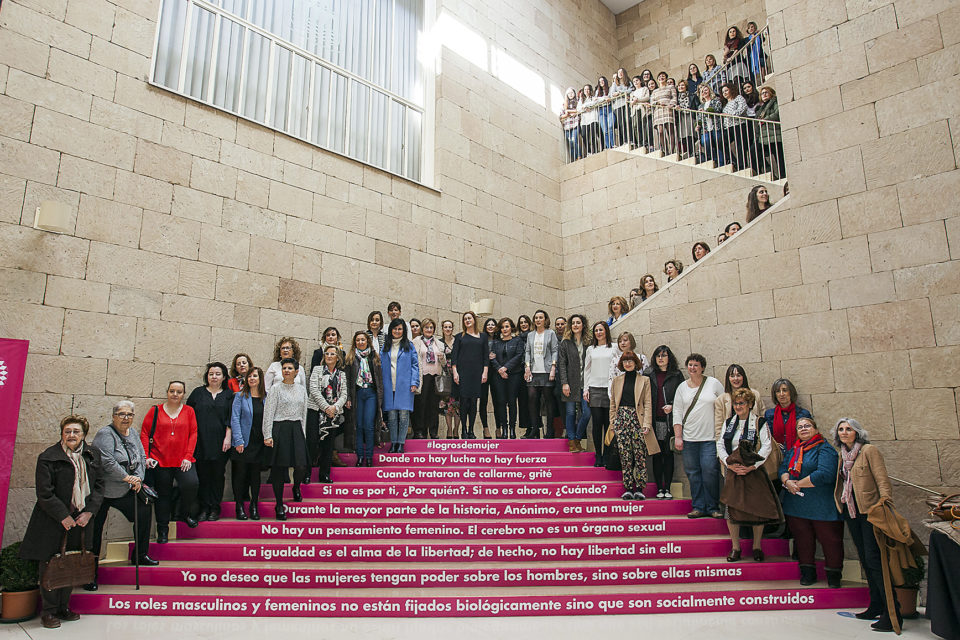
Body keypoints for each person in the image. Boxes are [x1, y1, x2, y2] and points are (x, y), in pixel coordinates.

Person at [20, 415, 104, 629]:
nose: (71, 435)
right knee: (50, 564)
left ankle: (63, 607)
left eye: (76, 431)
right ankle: (48, 611)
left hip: (81, 521)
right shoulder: (48, 457)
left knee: (71, 563)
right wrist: (63, 516)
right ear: (62, 434)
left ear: (84, 434)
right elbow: (44, 493)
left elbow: (99, 487)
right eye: (67, 432)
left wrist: (89, 513)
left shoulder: (92, 455)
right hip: (52, 520)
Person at [833, 418, 902, 631]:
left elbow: (882, 479)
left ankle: (893, 613)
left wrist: (884, 502)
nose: (844, 432)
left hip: (870, 512)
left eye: (849, 429)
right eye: (841, 429)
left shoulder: (869, 451)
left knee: (875, 560)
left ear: (857, 432)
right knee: (865, 558)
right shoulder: (842, 455)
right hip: (851, 512)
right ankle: (876, 605)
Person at [89, 402, 155, 585]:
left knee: (144, 510)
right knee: (94, 531)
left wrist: (139, 479)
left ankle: (140, 555)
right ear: (113, 416)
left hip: (126, 488)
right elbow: (107, 461)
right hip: (103, 490)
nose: (126, 418)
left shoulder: (133, 432)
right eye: (121, 414)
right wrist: (128, 478)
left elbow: (141, 456)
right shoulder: (105, 434)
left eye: (129, 414)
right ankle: (90, 574)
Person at [716, 388, 781, 562]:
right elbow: (721, 444)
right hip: (733, 471)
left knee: (756, 509)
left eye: (742, 403)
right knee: (731, 510)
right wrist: (729, 463)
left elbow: (766, 446)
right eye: (736, 403)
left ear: (750, 404)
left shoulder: (759, 422)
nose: (738, 406)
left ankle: (757, 546)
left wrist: (753, 466)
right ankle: (735, 547)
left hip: (753, 471)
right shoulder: (729, 422)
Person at [779, 416, 843, 588]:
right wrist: (787, 482)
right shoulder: (794, 449)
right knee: (803, 540)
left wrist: (797, 484)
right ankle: (807, 574)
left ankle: (834, 576)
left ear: (815, 429)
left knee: (830, 541)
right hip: (797, 506)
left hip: (822, 506)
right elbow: (783, 468)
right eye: (800, 427)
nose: (804, 429)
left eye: (807, 426)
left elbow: (824, 474)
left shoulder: (825, 449)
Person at [141, 381, 199, 541]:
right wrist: (147, 456)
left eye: (179, 392)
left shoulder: (189, 411)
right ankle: (163, 530)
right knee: (163, 496)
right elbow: (145, 433)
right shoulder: (155, 411)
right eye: (172, 391)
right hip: (160, 461)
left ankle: (183, 513)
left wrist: (188, 456)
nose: (175, 394)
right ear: (167, 392)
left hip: (183, 461)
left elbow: (193, 434)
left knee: (191, 484)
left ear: (183, 394)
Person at [672, 353, 725, 519]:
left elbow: (724, 406)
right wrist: (678, 437)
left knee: (710, 471)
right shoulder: (682, 387)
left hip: (710, 439)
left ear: (702, 367)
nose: (692, 368)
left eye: (696, 365)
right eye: (690, 365)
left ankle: (713, 506)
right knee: (693, 473)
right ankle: (698, 506)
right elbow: (677, 413)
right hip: (689, 439)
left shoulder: (713, 384)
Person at [186, 362, 233, 522]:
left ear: (224, 377)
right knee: (203, 476)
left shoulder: (229, 395)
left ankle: (215, 507)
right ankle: (204, 507)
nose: (214, 376)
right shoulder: (198, 393)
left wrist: (228, 437)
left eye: (218, 374)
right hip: (200, 442)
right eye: (211, 373)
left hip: (221, 442)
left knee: (218, 475)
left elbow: (231, 418)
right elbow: (188, 416)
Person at [263, 358, 309, 520]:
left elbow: (304, 414)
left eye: (290, 368)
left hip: (296, 428)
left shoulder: (302, 390)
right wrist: (267, 434)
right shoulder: (275, 388)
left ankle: (296, 487)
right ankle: (279, 504)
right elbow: (268, 412)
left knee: (301, 465)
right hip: (279, 428)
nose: (287, 370)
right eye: (284, 368)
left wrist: (303, 433)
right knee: (279, 468)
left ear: (297, 372)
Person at [609, 351, 657, 500]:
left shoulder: (644, 380)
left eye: (630, 361)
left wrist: (647, 423)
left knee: (639, 454)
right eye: (625, 361)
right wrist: (613, 422)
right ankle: (628, 487)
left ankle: (640, 488)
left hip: (637, 418)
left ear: (636, 363)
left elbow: (648, 403)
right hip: (621, 418)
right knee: (625, 454)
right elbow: (613, 404)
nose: (628, 363)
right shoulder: (617, 380)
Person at [645, 345, 684, 499]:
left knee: (668, 454)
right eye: (658, 356)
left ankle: (667, 488)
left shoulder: (676, 374)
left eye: (664, 355)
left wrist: (673, 406)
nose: (661, 358)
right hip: (654, 420)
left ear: (669, 357)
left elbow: (683, 396)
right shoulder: (648, 374)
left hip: (670, 421)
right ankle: (658, 489)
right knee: (656, 454)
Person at [230, 366, 268, 521]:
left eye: (255, 376)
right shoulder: (240, 396)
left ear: (260, 379)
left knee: (255, 476)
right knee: (240, 475)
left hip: (259, 442)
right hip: (243, 442)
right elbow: (235, 418)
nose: (252, 378)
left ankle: (254, 505)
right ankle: (239, 506)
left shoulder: (266, 397)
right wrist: (238, 440)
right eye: (250, 376)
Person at [308, 345, 348, 482]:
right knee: (312, 443)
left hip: (333, 414)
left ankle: (324, 474)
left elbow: (344, 394)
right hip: (316, 411)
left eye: (332, 354)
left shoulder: (342, 374)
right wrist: (326, 407)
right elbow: (313, 390)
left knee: (328, 445)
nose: (329, 356)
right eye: (327, 354)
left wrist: (334, 408)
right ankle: (306, 474)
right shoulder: (317, 370)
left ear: (338, 358)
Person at [344, 331, 384, 466]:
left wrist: (380, 397)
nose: (360, 342)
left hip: (371, 394)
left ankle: (369, 457)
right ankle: (360, 456)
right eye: (358, 340)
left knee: (369, 426)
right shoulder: (350, 358)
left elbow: (379, 379)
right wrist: (348, 397)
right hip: (358, 393)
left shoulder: (374, 357)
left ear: (367, 341)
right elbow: (348, 381)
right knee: (359, 426)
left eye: (363, 339)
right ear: (355, 342)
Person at [381, 318, 420, 452]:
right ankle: (393, 442)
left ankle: (401, 443)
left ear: (404, 331)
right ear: (391, 329)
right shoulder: (385, 346)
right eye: (395, 328)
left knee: (403, 415)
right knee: (392, 416)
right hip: (388, 384)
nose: (397, 331)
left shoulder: (409, 345)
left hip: (404, 385)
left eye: (400, 329)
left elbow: (415, 365)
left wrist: (414, 382)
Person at [583, 321, 615, 466]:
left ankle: (608, 455)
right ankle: (598, 455)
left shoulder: (614, 348)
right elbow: (587, 370)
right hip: (594, 388)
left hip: (609, 390)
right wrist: (586, 389)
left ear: (606, 331)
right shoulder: (591, 349)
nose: (599, 332)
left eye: (601, 330)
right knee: (597, 423)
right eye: (596, 330)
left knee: (608, 424)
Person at [558, 314, 590, 452]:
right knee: (570, 412)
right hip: (570, 383)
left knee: (587, 413)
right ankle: (572, 442)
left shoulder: (589, 341)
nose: (576, 325)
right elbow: (562, 364)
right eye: (573, 323)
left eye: (578, 322)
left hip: (586, 383)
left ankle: (577, 438)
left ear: (583, 325)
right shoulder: (565, 343)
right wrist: (564, 383)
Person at [523, 309, 558, 438]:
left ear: (545, 319)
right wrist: (527, 367)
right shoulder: (530, 335)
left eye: (540, 317)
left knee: (548, 400)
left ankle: (550, 430)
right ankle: (535, 429)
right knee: (532, 399)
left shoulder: (551, 333)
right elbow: (527, 351)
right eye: (536, 317)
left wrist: (553, 367)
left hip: (547, 371)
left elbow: (555, 350)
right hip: (533, 372)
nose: (538, 320)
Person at [491, 317, 525, 439]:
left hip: (514, 375)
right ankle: (504, 429)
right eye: (502, 327)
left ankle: (512, 429)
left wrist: (505, 368)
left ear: (511, 328)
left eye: (507, 326)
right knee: (500, 402)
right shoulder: (496, 342)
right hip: (498, 376)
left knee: (512, 402)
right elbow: (492, 358)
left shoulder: (518, 341)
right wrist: (500, 369)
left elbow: (519, 355)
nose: (504, 329)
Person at [714, 363, 766, 438]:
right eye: (732, 376)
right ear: (728, 379)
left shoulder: (755, 394)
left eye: (738, 375)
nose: (736, 379)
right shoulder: (721, 400)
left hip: (753, 437)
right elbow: (719, 426)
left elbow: (762, 416)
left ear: (743, 377)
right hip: (730, 440)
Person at [412, 319, 444, 439]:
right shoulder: (416, 342)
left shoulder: (438, 343)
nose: (429, 330)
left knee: (434, 405)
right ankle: (420, 431)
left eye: (431, 327)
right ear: (422, 329)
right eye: (426, 327)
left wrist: (442, 358)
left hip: (435, 377)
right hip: (422, 376)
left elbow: (444, 363)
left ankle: (433, 431)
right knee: (421, 404)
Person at [764, 377, 812, 451]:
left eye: (785, 390)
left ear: (791, 392)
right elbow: (767, 436)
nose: (781, 394)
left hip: (798, 453)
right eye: (778, 391)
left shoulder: (803, 414)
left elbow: (810, 436)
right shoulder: (769, 414)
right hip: (777, 453)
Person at [439, 319, 461, 438]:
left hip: (458, 376)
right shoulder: (439, 342)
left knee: (458, 405)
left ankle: (456, 430)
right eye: (445, 327)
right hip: (445, 377)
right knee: (448, 405)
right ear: (442, 329)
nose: (448, 329)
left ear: (452, 329)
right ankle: (449, 430)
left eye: (450, 327)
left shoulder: (457, 341)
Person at [756, 86, 784, 180]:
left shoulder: (775, 102)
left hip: (775, 133)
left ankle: (782, 176)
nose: (764, 94)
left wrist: (765, 120)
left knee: (779, 157)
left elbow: (777, 113)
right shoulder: (761, 107)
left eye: (766, 92)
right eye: (762, 93)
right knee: (755, 151)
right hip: (764, 136)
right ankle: (768, 171)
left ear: (771, 93)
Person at [479, 317, 500, 439]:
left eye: (493, 324)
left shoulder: (500, 339)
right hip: (483, 372)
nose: (491, 326)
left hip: (497, 372)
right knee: (483, 401)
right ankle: (485, 428)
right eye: (488, 324)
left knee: (498, 401)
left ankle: (498, 428)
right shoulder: (482, 338)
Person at [720, 82, 749, 172]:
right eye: (723, 92)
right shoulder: (725, 104)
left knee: (740, 146)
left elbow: (743, 108)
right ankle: (734, 161)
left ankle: (742, 165)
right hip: (728, 127)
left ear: (731, 90)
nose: (724, 93)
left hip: (739, 124)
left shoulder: (738, 98)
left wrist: (729, 115)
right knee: (721, 141)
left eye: (726, 90)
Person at [696, 84, 725, 166]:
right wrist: (698, 125)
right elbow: (699, 118)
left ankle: (721, 162)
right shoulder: (700, 106)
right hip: (706, 128)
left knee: (718, 143)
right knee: (705, 141)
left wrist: (707, 112)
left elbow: (718, 110)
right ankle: (714, 159)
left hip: (716, 126)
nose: (704, 92)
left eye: (706, 90)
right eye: (702, 91)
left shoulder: (716, 100)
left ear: (709, 91)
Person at [651, 71, 678, 155]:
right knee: (660, 131)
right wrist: (657, 103)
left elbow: (674, 97)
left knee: (670, 130)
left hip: (667, 109)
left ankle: (672, 150)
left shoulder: (671, 87)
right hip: (658, 111)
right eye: (659, 77)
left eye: (663, 76)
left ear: (666, 78)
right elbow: (652, 101)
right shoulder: (655, 91)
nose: (661, 78)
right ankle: (665, 150)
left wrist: (671, 104)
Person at [611, 68, 634, 146]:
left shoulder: (628, 82)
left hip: (626, 104)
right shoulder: (615, 84)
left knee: (628, 121)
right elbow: (612, 94)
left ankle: (630, 139)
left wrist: (620, 93)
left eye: (621, 72)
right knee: (621, 123)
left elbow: (631, 90)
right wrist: (623, 94)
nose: (620, 74)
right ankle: (624, 140)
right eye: (618, 72)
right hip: (618, 105)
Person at [676, 79, 698, 160]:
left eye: (682, 85)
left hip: (690, 116)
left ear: (686, 87)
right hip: (681, 117)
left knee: (691, 135)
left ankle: (692, 153)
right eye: (679, 86)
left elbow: (696, 106)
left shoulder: (692, 95)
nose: (680, 87)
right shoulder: (676, 98)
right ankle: (689, 153)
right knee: (683, 136)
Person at [560, 87, 582, 162]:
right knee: (570, 142)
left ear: (574, 93)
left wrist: (568, 111)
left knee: (575, 139)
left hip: (575, 123)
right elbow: (561, 116)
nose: (570, 94)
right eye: (569, 93)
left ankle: (579, 156)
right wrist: (568, 114)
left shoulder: (577, 101)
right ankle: (574, 158)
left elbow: (578, 110)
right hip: (567, 125)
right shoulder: (564, 104)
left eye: (572, 92)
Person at [578, 83, 600, 154]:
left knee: (593, 136)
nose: (586, 91)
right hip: (584, 121)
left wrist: (585, 106)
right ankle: (589, 151)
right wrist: (584, 108)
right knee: (584, 135)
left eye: (588, 89)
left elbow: (594, 103)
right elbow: (578, 109)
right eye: (585, 89)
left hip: (593, 118)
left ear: (590, 90)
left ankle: (596, 151)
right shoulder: (581, 100)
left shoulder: (593, 98)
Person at [595, 76, 615, 150]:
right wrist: (604, 98)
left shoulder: (609, 89)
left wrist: (601, 99)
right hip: (601, 110)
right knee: (605, 130)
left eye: (603, 81)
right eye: (600, 81)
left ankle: (613, 144)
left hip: (609, 108)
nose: (601, 82)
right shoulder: (597, 92)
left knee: (610, 126)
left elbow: (610, 97)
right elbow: (595, 100)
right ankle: (608, 146)